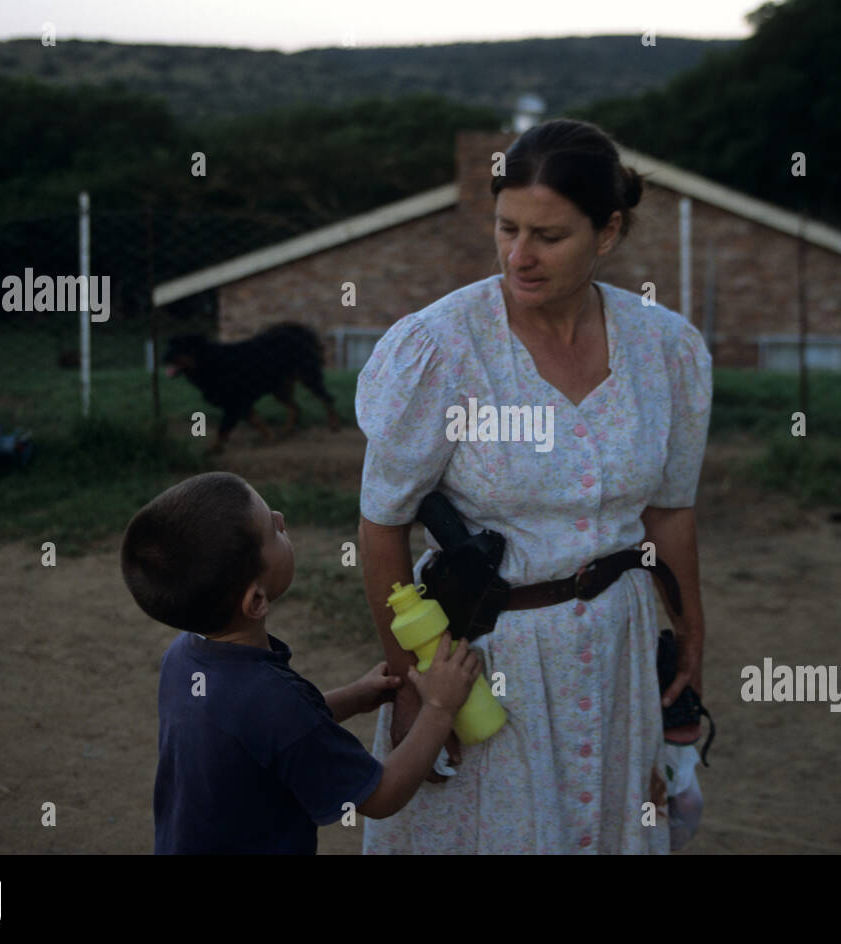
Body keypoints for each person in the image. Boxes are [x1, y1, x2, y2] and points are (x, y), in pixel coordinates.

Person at [356, 119, 713, 854]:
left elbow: (670, 512)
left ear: (606, 233)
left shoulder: (666, 349)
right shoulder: (443, 347)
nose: (520, 255)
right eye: (506, 228)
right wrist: (419, 686)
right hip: (485, 656)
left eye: (548, 236)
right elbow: (381, 526)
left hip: (617, 645)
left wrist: (692, 636)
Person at [119, 471, 482, 854]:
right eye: (271, 530)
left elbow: (266, 736)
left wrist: (354, 697)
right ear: (256, 601)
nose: (280, 518)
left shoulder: (182, 657)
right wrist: (439, 708)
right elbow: (381, 796)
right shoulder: (273, 701)